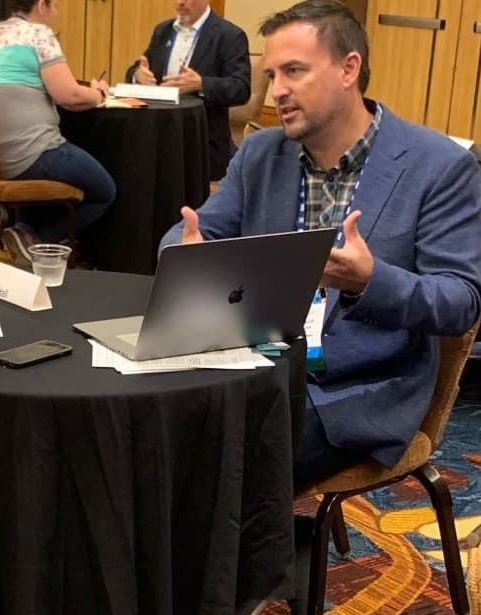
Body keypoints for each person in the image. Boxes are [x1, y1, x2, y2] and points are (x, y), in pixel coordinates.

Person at [160, 0, 481, 491]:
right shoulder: (262, 153)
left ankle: (247, 565)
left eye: (294, 71)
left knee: (226, 458)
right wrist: (186, 254)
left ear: (349, 68)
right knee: (144, 424)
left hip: (357, 387)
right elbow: (198, 230)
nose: (278, 90)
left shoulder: (437, 167)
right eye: (272, 73)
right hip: (258, 362)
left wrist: (370, 282)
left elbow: (460, 302)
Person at [0, 0, 116, 270]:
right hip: (33, 151)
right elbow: (70, 96)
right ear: (41, 5)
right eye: (55, 7)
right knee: (104, 190)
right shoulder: (39, 34)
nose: (57, 14)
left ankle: (21, 230)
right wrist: (99, 93)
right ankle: (34, 239)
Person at [125, 0, 250, 182]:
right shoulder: (163, 31)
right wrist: (138, 74)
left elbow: (241, 88)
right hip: (158, 134)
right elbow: (137, 67)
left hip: (201, 140)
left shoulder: (230, 35)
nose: (180, 2)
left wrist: (201, 84)